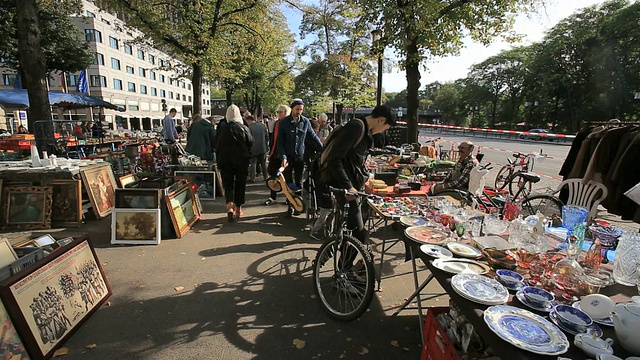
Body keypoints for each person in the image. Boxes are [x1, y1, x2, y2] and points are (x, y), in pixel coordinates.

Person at [319, 105, 396, 244]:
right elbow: (334, 159)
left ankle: (344, 262)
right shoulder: (356, 127)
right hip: (347, 188)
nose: (383, 132)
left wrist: (365, 175)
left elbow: (353, 159)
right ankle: (342, 261)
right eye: (386, 128)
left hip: (354, 186)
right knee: (358, 233)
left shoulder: (364, 129)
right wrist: (348, 186)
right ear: (381, 120)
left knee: (354, 231)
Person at [276, 98, 323, 216]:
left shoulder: (305, 122)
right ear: (292, 108)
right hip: (287, 157)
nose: (299, 112)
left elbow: (313, 136)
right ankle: (290, 205)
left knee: (299, 182)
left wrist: (323, 149)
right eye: (297, 109)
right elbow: (280, 142)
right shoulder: (284, 123)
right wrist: (283, 156)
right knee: (288, 183)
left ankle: (298, 205)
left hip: (300, 157)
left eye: (301, 110)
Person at [216, 105, 254, 222]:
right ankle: (238, 208)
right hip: (241, 161)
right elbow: (251, 142)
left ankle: (229, 205)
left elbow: (216, 144)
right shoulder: (244, 128)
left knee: (228, 184)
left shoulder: (221, 128)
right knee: (240, 184)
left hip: (225, 160)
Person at [264, 105, 290, 206]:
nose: (278, 114)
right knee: (272, 175)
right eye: (277, 112)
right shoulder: (277, 123)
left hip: (285, 154)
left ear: (286, 112)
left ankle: (288, 198)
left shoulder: (288, 123)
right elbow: (273, 139)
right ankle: (272, 197)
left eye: (280, 112)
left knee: (286, 176)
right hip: (275, 153)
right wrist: (271, 152)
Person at [247, 115, 269, 182]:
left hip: (253, 148)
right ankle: (266, 176)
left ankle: (252, 178)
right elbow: (267, 136)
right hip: (262, 147)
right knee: (263, 163)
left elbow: (249, 139)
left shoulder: (249, 128)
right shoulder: (262, 126)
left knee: (253, 163)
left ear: (249, 120)